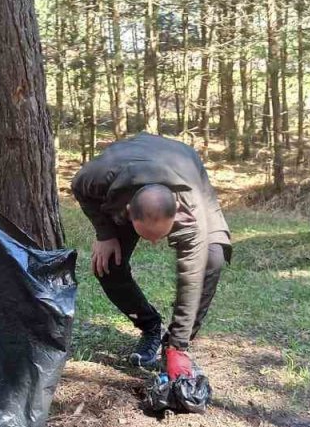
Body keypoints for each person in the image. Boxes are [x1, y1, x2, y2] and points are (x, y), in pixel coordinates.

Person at [70, 133, 231, 381]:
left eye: (160, 235)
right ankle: (150, 327)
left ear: (177, 213)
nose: (155, 243)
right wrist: (105, 233)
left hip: (185, 168)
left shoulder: (189, 207)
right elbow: (79, 188)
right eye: (147, 236)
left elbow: (191, 277)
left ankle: (174, 344)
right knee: (108, 264)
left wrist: (178, 345)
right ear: (128, 212)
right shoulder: (95, 176)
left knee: (212, 257)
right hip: (125, 170)